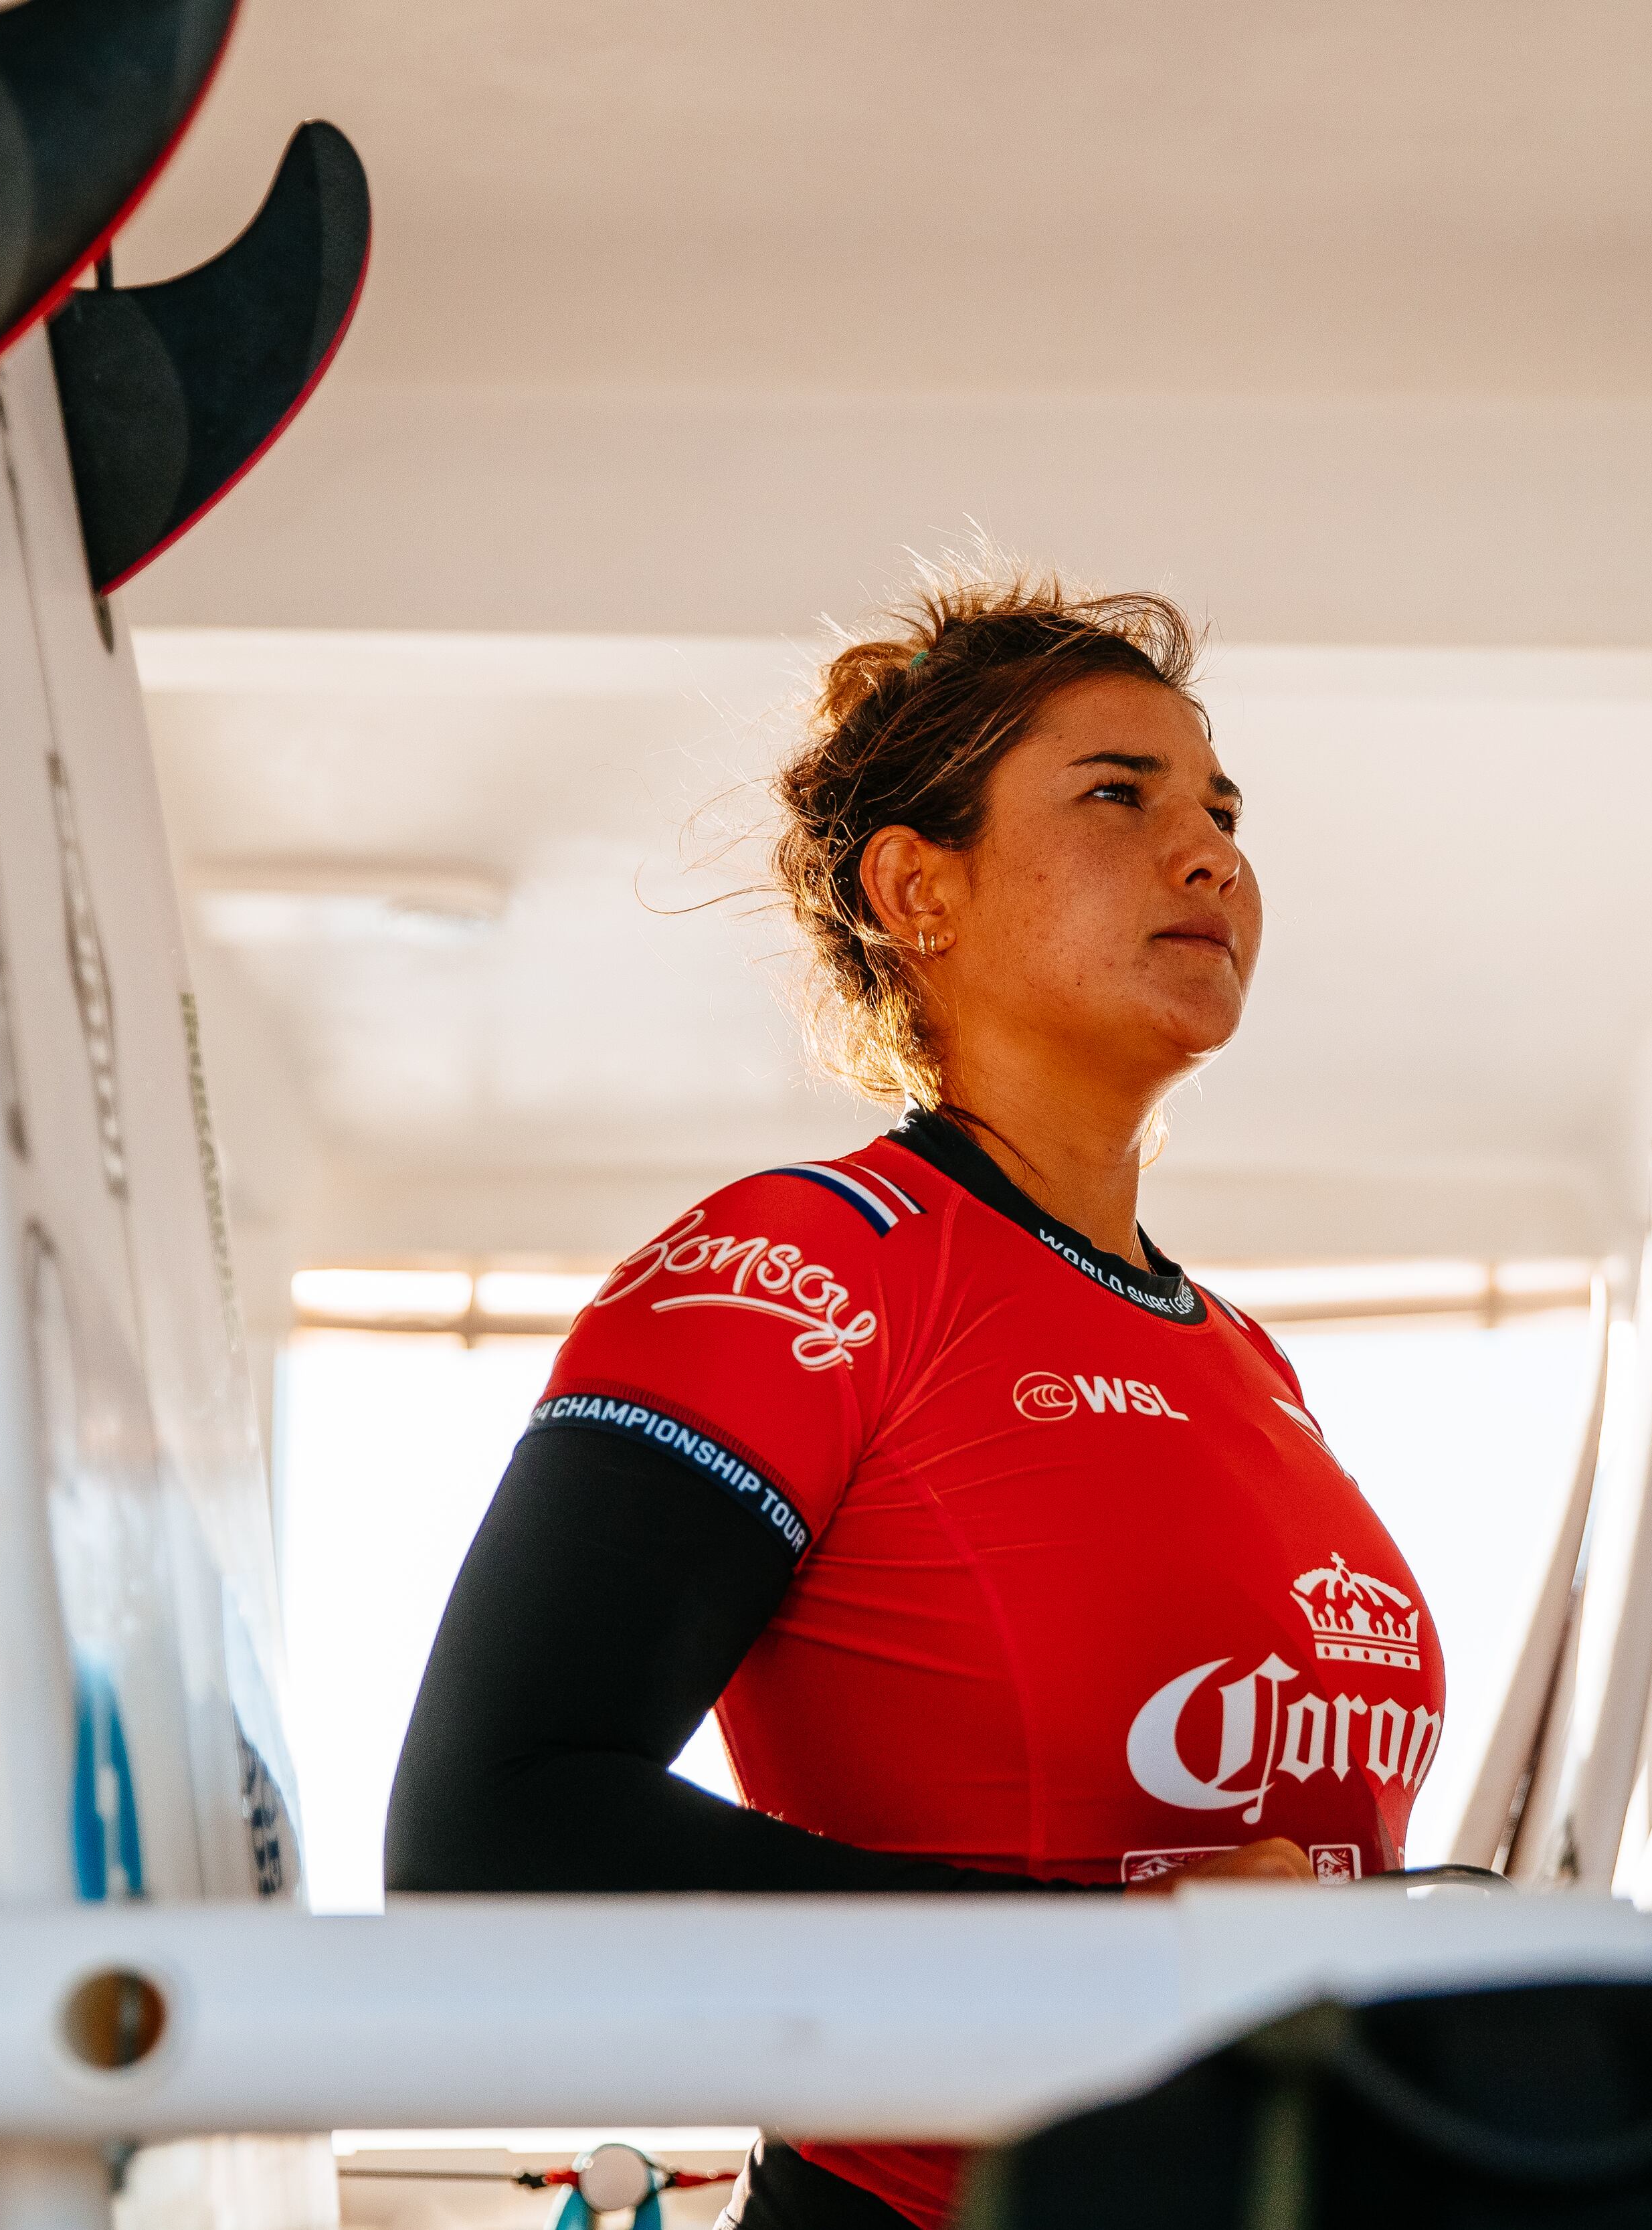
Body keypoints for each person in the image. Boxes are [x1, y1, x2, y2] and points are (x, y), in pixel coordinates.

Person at [385, 567, 1453, 2230]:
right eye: (1122, 794)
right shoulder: (803, 1266)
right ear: (917, 890)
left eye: (1224, 809)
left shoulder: (1246, 1355)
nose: (1214, 853)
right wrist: (1128, 1962)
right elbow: (484, 1831)